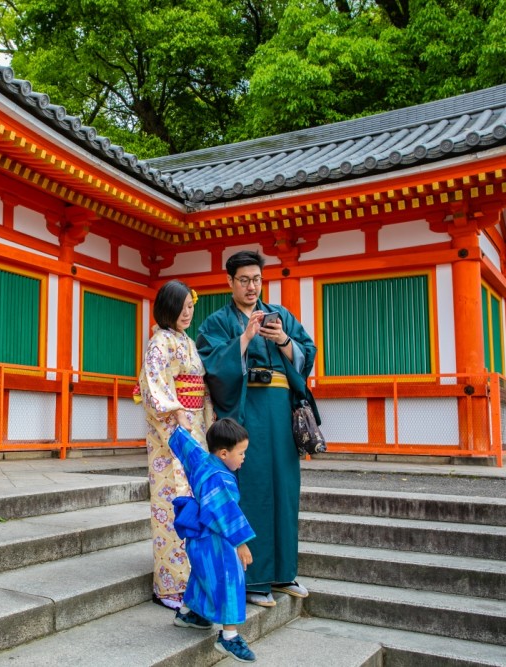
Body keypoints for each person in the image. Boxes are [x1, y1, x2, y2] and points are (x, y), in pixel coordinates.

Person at [196, 250, 318, 608]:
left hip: (279, 410)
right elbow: (212, 365)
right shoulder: (217, 322)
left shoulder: (280, 316)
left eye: (257, 280)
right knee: (252, 487)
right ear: (230, 282)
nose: (252, 287)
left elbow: (307, 354)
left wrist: (282, 340)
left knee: (285, 486)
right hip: (245, 411)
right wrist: (245, 339)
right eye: (244, 280)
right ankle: (253, 578)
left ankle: (283, 573)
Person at [137, 279, 214, 609]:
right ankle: (168, 585)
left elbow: (199, 384)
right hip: (171, 435)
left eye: (191, 307)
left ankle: (190, 577)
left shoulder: (185, 341)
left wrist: (203, 420)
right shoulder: (159, 342)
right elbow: (153, 387)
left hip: (193, 428)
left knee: (192, 501)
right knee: (171, 505)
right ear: (167, 307)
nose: (188, 312)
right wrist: (175, 410)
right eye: (182, 307)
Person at [169, 419, 257, 663]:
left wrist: (180, 428)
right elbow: (225, 511)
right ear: (224, 452)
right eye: (241, 453)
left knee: (202, 574)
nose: (243, 458)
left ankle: (188, 615)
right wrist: (241, 542)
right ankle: (229, 637)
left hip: (197, 537)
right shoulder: (221, 478)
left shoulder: (203, 462)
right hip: (214, 538)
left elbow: (189, 449)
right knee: (230, 580)